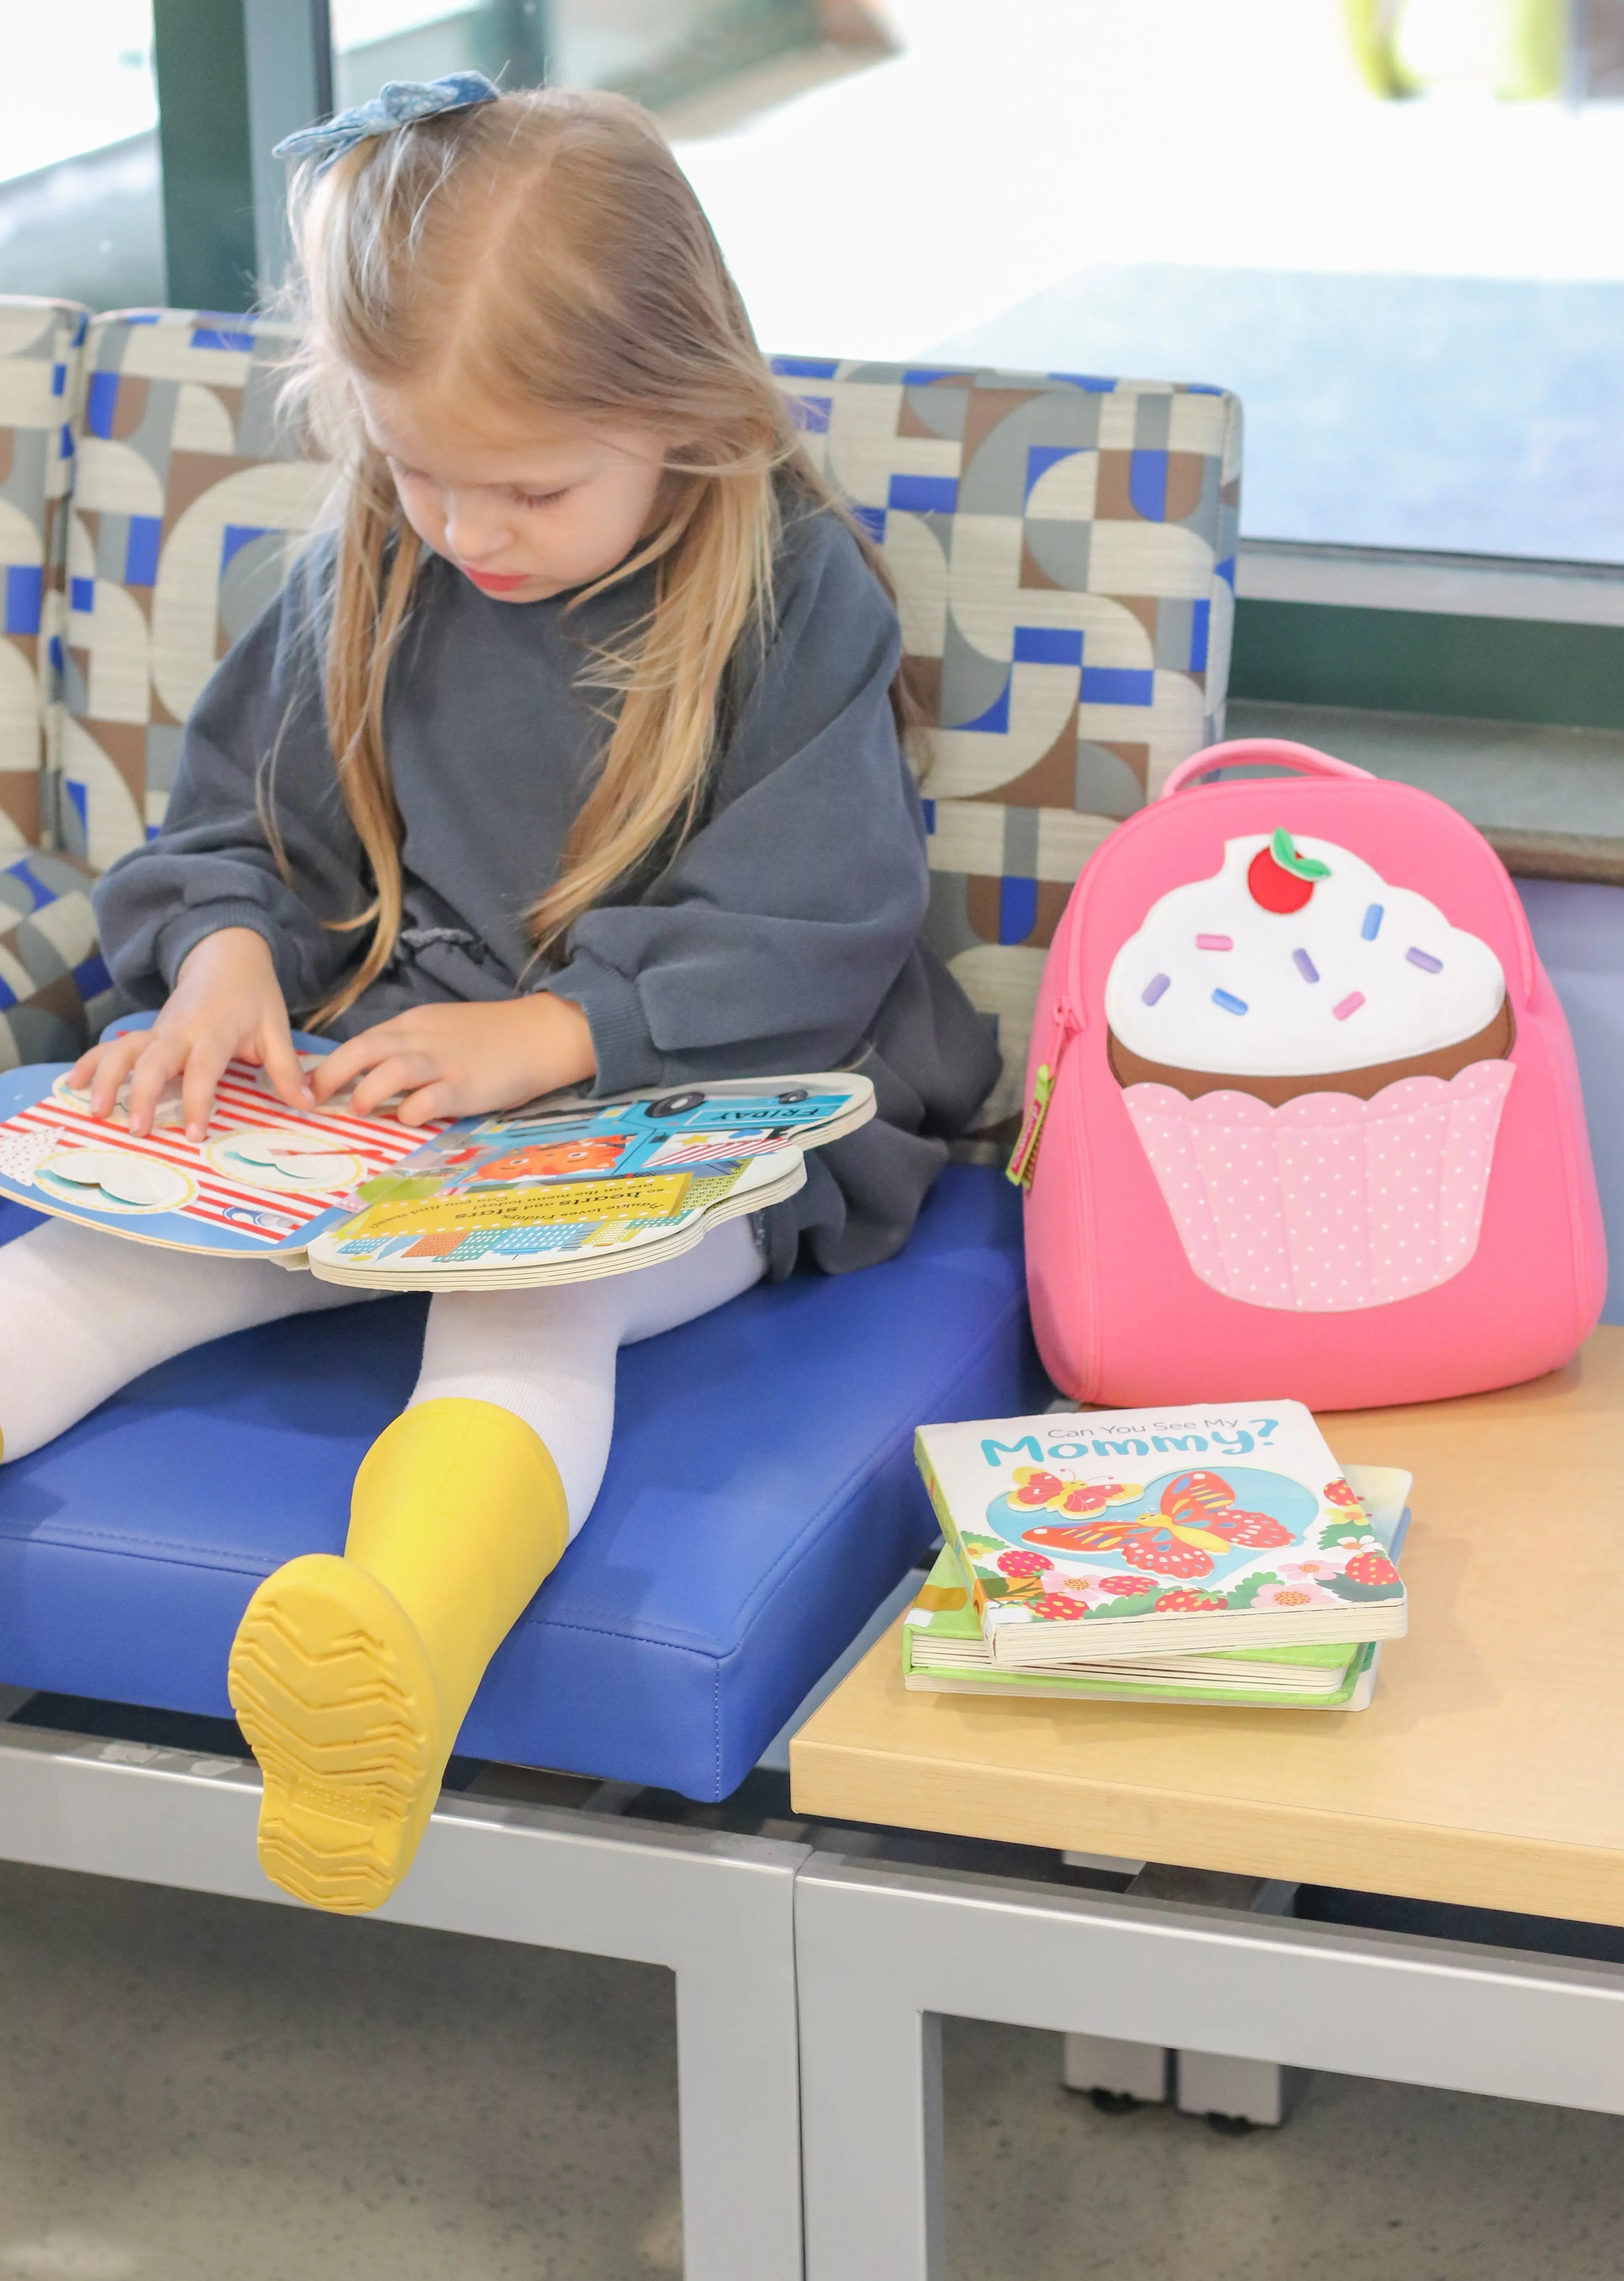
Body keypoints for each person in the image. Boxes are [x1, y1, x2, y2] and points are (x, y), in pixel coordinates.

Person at [0, 77, 998, 1914]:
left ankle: (394, 1644)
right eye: (417, 465)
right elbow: (236, 828)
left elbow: (824, 924)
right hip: (391, 1084)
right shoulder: (374, 556)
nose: (469, 525)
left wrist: (556, 1037)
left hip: (690, 1105)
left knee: (526, 1304)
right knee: (98, 1261)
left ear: (686, 410)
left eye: (528, 484)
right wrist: (221, 959)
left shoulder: (780, 599)